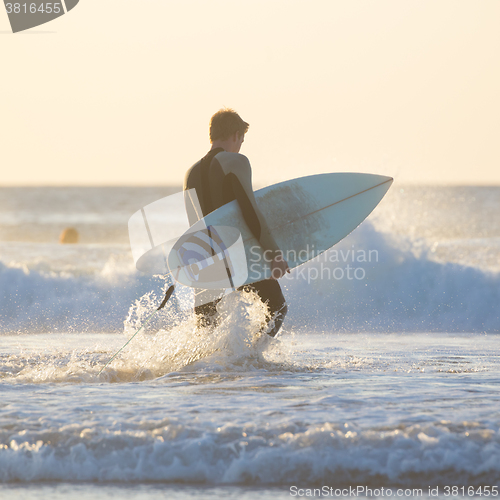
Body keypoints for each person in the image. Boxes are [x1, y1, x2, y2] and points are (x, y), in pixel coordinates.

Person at [184, 108, 289, 337]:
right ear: (235, 134)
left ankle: (205, 369)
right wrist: (273, 255)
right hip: (239, 256)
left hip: (205, 260)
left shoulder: (190, 173)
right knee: (277, 307)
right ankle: (249, 358)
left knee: (206, 331)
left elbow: (195, 226)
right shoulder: (236, 162)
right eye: (242, 139)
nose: (241, 144)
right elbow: (251, 212)